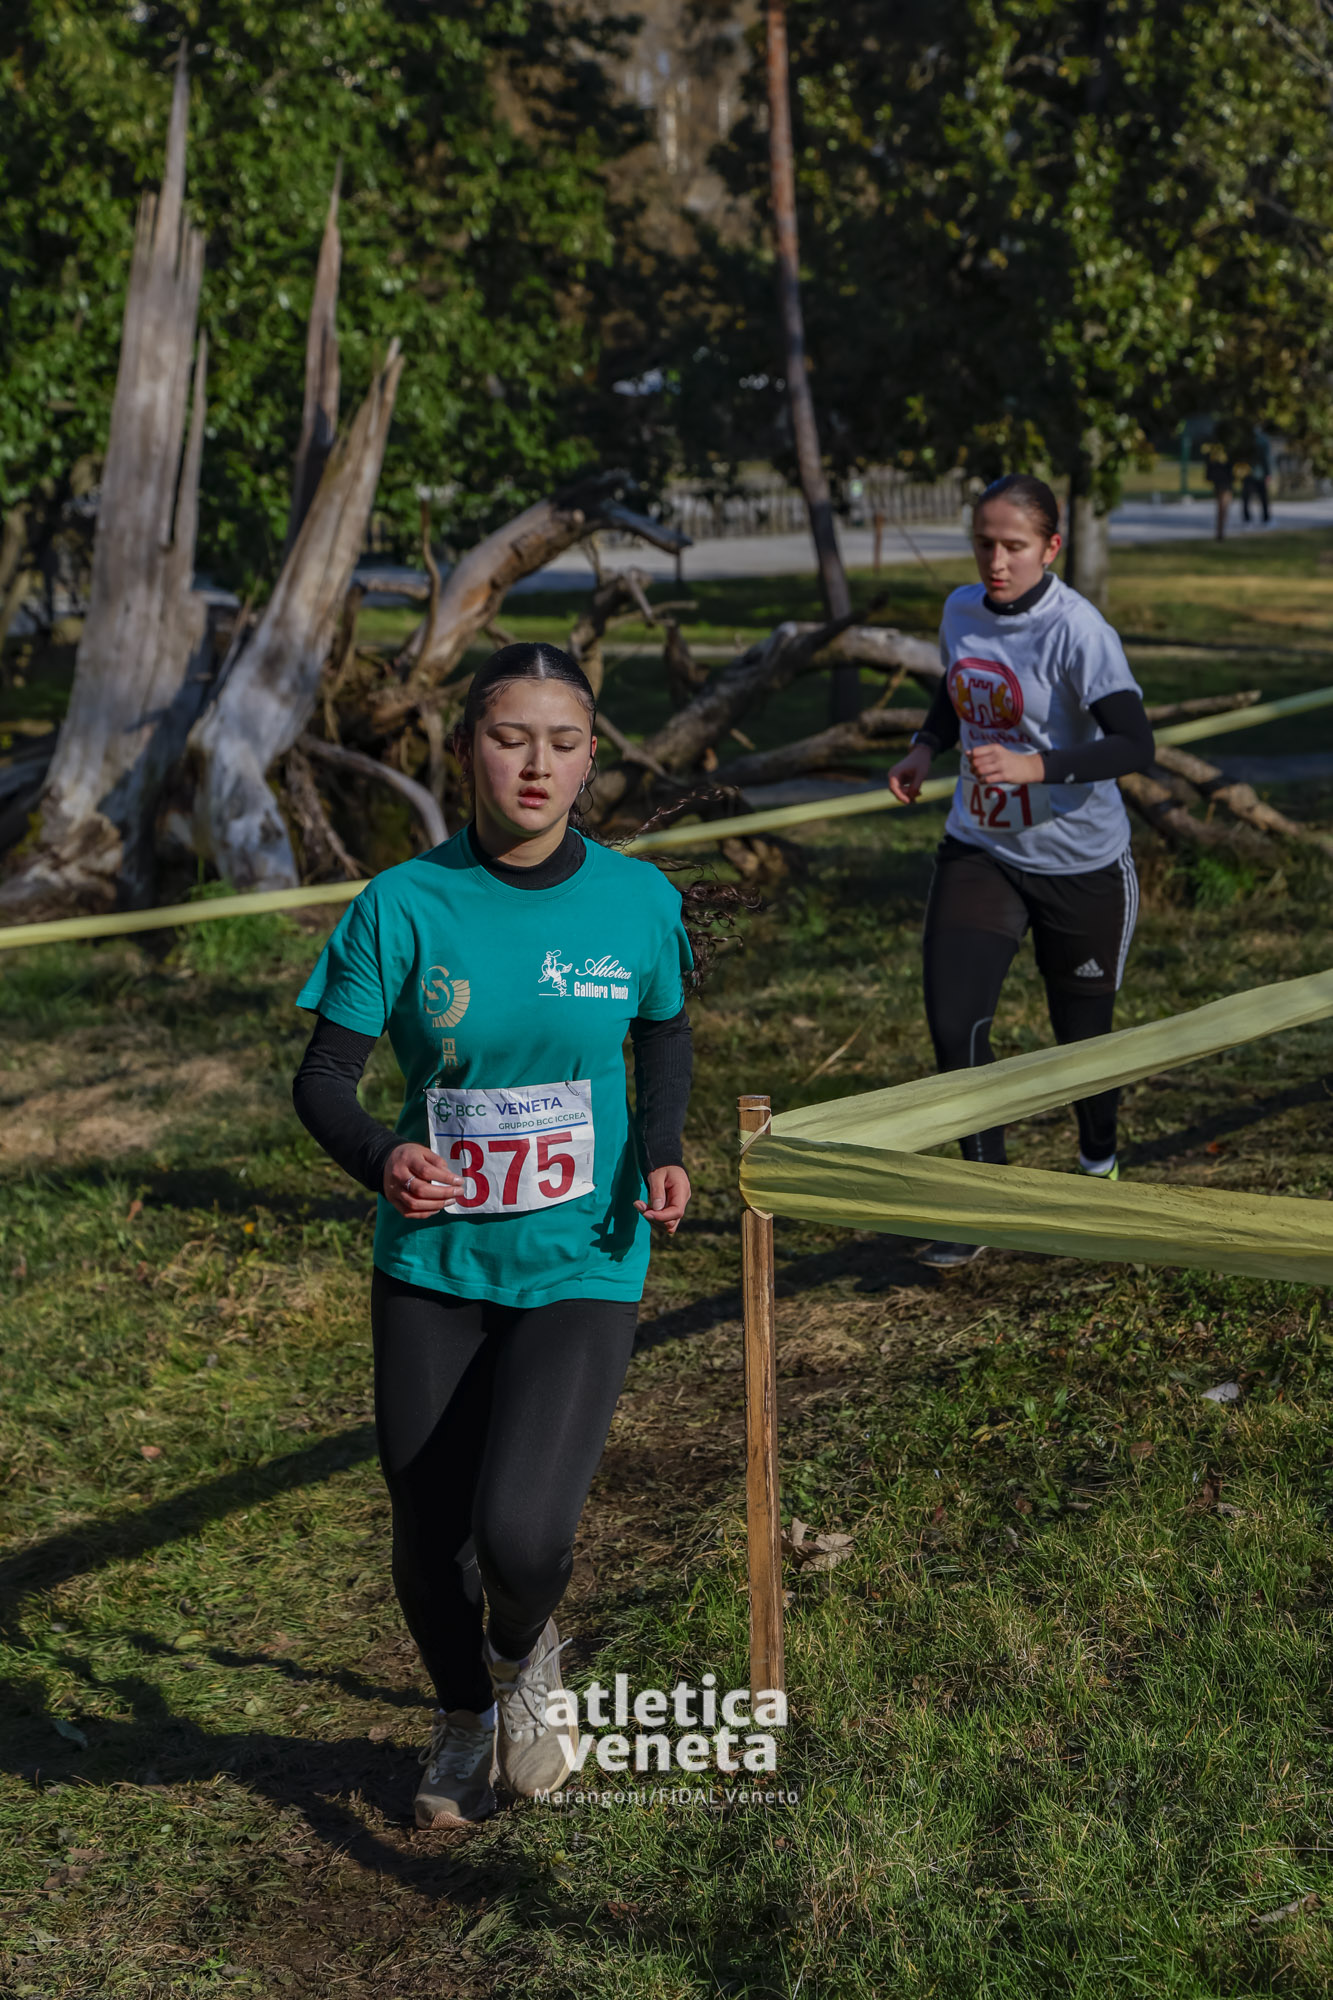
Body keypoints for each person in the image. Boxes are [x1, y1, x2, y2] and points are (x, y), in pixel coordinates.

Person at [292, 642, 696, 1827]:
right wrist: (383, 1155)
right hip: (435, 1263)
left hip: (582, 1255)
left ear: (589, 758)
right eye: (511, 737)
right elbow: (323, 1078)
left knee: (520, 1533)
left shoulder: (636, 899)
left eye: (562, 742)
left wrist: (661, 1144)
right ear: (468, 746)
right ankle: (464, 1715)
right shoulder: (401, 904)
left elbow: (663, 1029)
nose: (535, 763)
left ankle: (526, 1658)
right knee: (429, 1538)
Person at [887, 473, 1156, 1269]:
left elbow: (1133, 743)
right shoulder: (960, 610)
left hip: (1080, 863)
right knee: (954, 1022)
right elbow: (959, 693)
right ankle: (982, 1201)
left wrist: (1035, 768)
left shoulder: (1078, 630)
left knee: (1081, 1044)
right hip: (982, 849)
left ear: (1050, 547)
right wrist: (924, 747)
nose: (996, 562)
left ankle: (1097, 1163)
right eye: (984, 544)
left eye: (1013, 546)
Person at [1241, 428, 1273, 525]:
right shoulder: (1263, 440)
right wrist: (1268, 474)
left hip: (1248, 472)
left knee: (1247, 497)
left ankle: (1247, 518)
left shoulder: (1245, 440)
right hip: (1259, 473)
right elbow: (1266, 458)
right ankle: (1265, 518)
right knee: (1262, 497)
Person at [1205, 444, 1235, 540]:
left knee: (1222, 508)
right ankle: (1220, 531)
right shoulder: (1228, 448)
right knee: (1222, 508)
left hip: (1219, 482)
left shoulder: (1215, 448)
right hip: (1224, 483)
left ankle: (1220, 529)